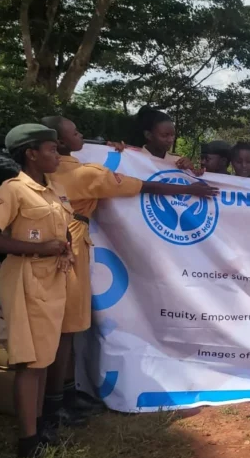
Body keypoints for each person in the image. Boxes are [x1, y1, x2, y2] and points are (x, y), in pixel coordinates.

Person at [39, 116, 218, 426]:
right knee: (65, 331)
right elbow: (141, 185)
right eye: (76, 132)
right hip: (70, 251)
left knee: (67, 330)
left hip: (60, 248)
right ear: (60, 144)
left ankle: (67, 394)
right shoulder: (82, 172)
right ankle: (56, 404)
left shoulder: (50, 171)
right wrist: (189, 189)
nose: (82, 135)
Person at [0, 124, 75, 458]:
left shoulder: (54, 189)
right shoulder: (14, 190)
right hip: (26, 282)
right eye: (50, 148)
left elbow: (60, 230)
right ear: (31, 153)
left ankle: (41, 428)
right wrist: (38, 248)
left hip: (52, 282)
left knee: (44, 359)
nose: (57, 154)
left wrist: (63, 245)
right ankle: (27, 446)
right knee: (30, 363)